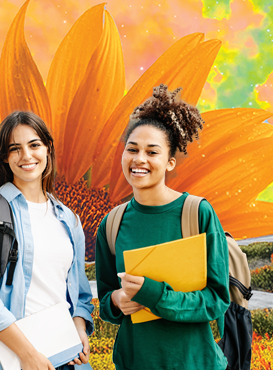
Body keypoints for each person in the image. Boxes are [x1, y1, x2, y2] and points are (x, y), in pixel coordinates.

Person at [95, 85, 231, 369]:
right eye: (131, 149)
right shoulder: (111, 224)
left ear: (170, 162)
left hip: (195, 362)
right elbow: (107, 300)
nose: (139, 159)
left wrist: (156, 296)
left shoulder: (197, 213)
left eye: (152, 152)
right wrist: (118, 301)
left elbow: (216, 300)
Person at [0, 111, 94, 370]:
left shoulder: (69, 219)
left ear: (48, 149)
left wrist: (79, 329)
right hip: (14, 359)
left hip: (70, 358)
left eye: (34, 145)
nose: (27, 156)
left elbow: (79, 294)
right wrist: (27, 355)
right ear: (5, 158)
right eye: (15, 149)